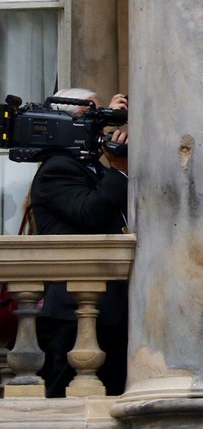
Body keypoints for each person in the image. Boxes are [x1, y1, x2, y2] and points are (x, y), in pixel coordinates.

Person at [31, 88, 129, 398]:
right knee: (67, 400)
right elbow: (91, 212)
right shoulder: (56, 169)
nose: (96, 128)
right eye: (89, 118)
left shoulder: (93, 167)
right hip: (74, 310)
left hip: (106, 305)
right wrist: (118, 169)